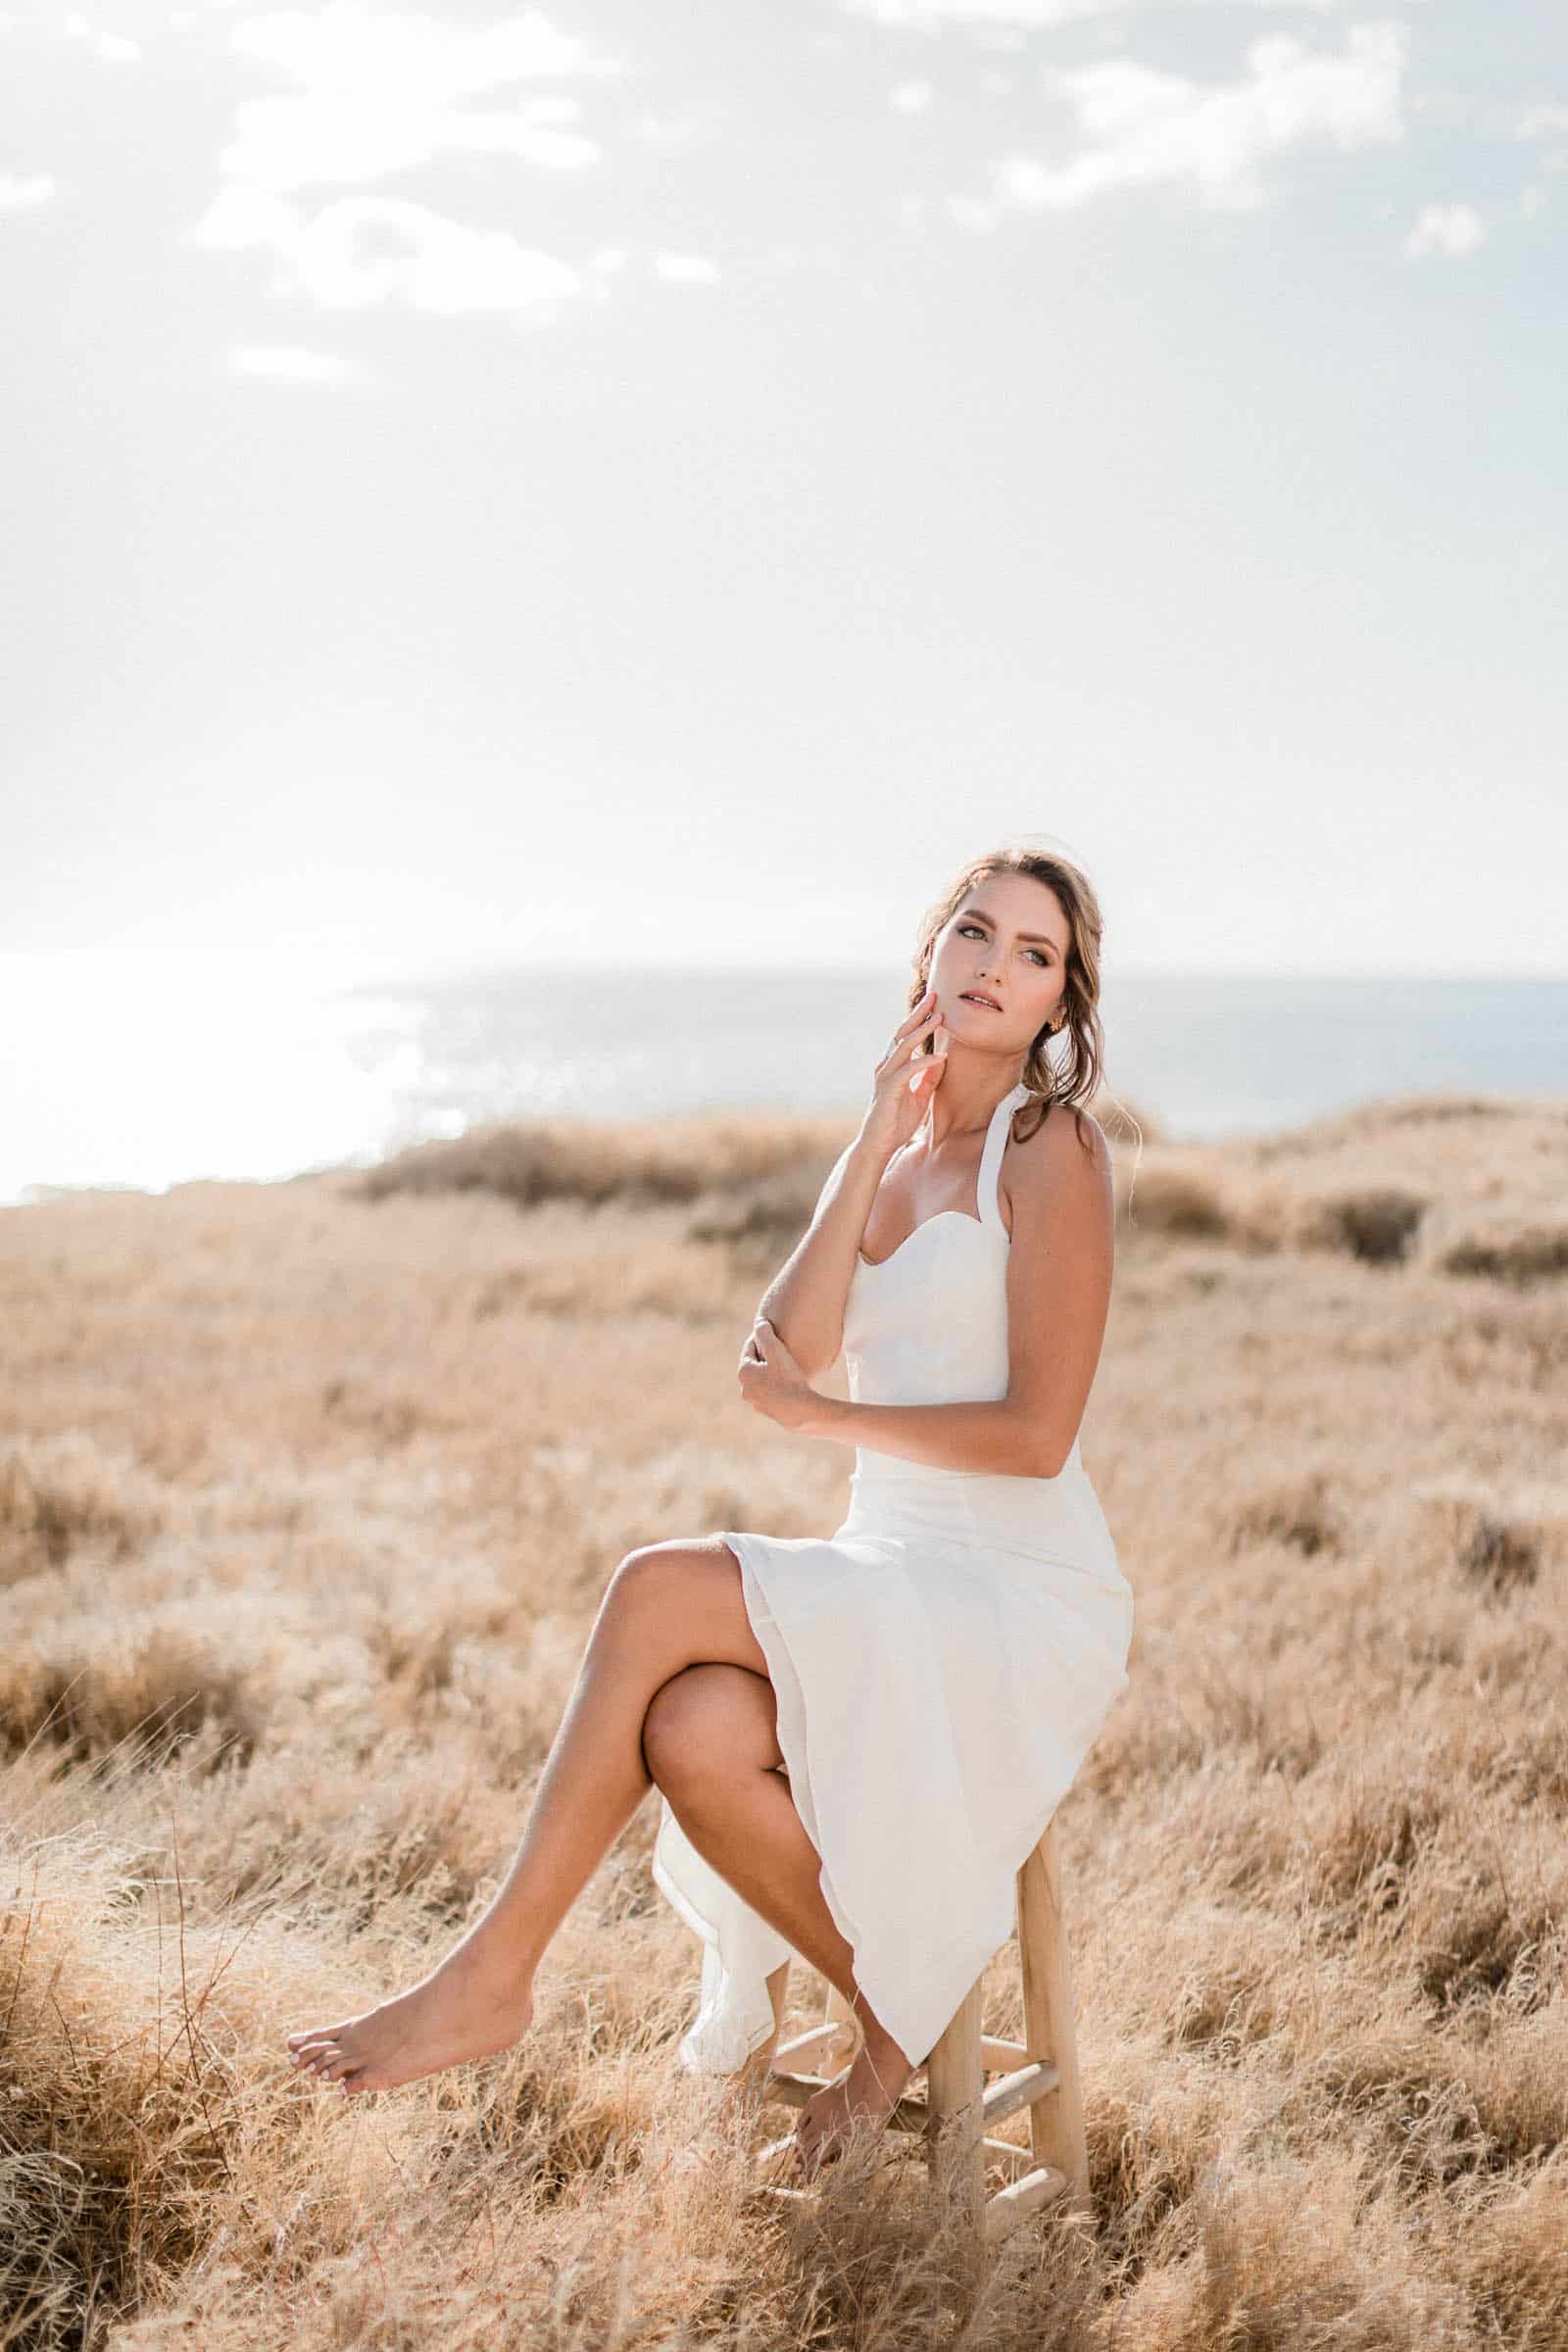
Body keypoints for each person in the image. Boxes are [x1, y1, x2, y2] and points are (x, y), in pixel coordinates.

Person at [286, 845, 1136, 2185]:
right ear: (931, 952)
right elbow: (783, 1355)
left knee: (653, 1586)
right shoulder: (902, 1151)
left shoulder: (1048, 1146)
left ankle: (488, 1979)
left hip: (1016, 1588)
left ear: (1059, 1008)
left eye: (1034, 956)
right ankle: (898, 2019)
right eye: (974, 933)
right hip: (896, 1559)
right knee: (691, 1725)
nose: (993, 967)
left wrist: (829, 1421)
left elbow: (1034, 1441)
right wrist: (872, 1131)